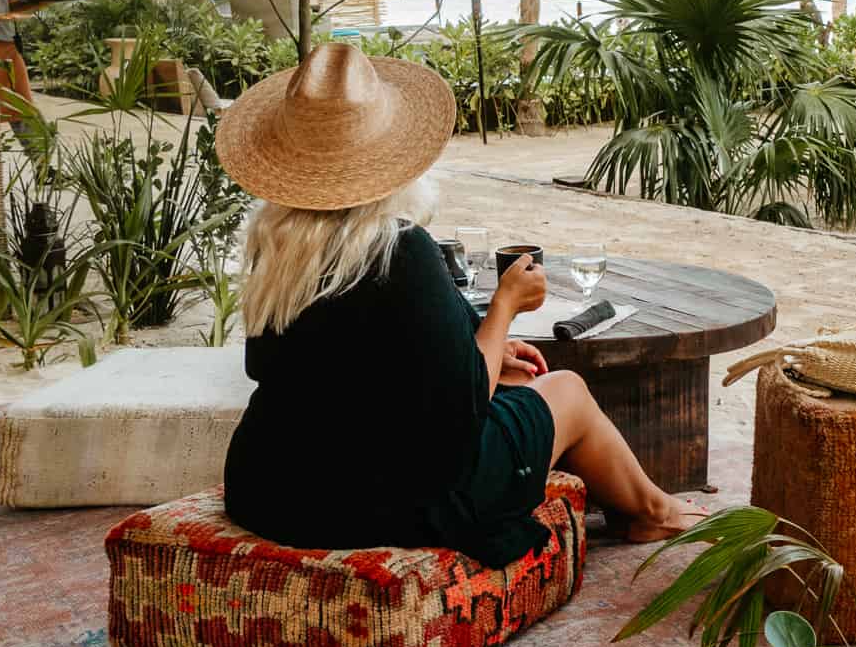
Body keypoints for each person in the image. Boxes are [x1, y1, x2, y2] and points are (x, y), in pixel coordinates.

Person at [216, 40, 701, 566]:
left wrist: (486, 348)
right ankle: (654, 509)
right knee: (566, 390)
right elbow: (460, 414)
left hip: (270, 489)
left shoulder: (280, 250)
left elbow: (319, 363)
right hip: (381, 502)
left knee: (514, 378)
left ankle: (639, 505)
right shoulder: (400, 251)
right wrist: (504, 307)